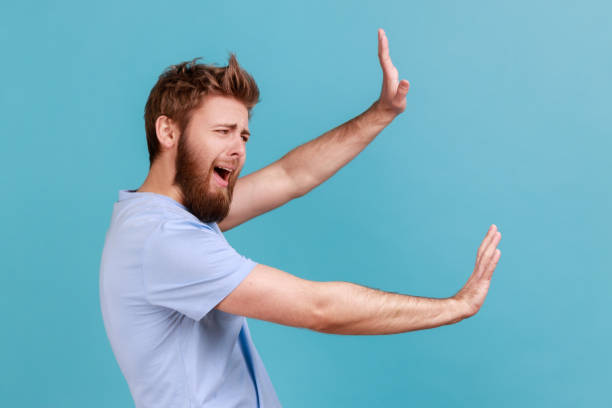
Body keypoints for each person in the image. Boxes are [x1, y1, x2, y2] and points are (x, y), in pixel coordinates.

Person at [99, 28, 502, 408]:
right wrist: (455, 307)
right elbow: (318, 308)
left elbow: (290, 176)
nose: (238, 148)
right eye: (223, 130)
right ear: (168, 132)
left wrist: (381, 113)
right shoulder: (165, 240)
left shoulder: (170, 213)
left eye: (243, 135)